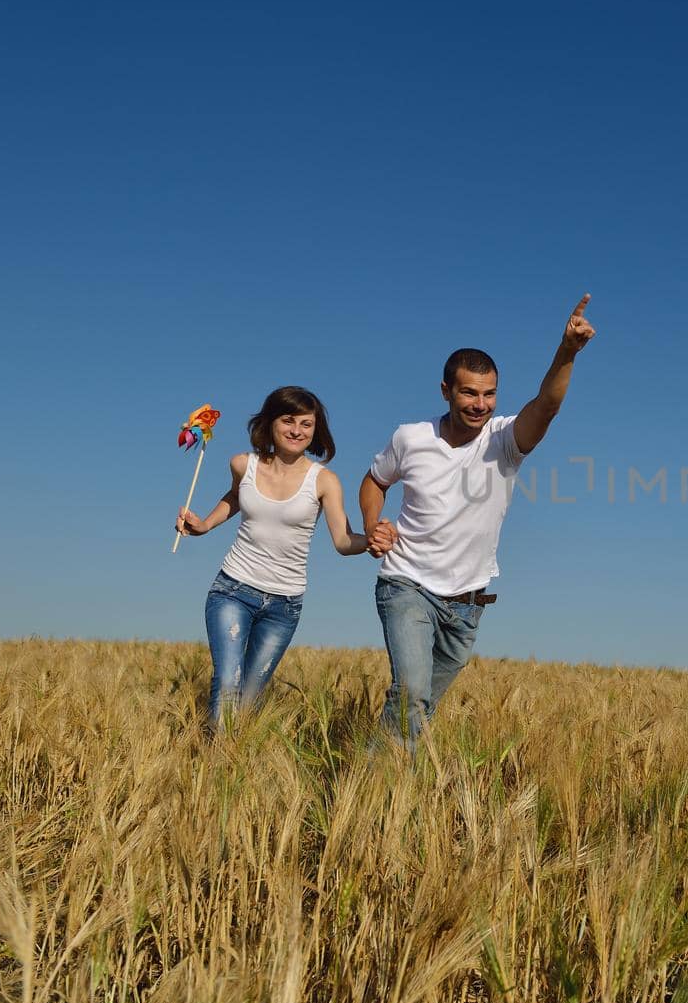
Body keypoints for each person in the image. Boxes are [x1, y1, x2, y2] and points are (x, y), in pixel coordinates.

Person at [360, 294, 597, 746]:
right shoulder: (410, 437)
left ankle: (375, 786)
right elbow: (373, 482)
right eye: (469, 392)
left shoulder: (505, 439)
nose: (480, 404)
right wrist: (374, 524)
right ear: (446, 390)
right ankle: (382, 793)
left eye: (489, 394)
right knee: (410, 693)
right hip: (407, 582)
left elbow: (546, 406)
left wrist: (566, 352)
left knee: (419, 708)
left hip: (468, 602)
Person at [176, 386, 369, 726]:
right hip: (232, 590)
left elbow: (342, 540)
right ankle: (215, 765)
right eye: (288, 420)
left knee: (250, 699)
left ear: (316, 430)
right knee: (228, 684)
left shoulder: (324, 481)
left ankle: (229, 761)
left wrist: (371, 542)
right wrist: (204, 524)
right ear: (270, 423)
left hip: (285, 605)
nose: (297, 431)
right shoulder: (243, 464)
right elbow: (236, 497)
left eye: (306, 424)